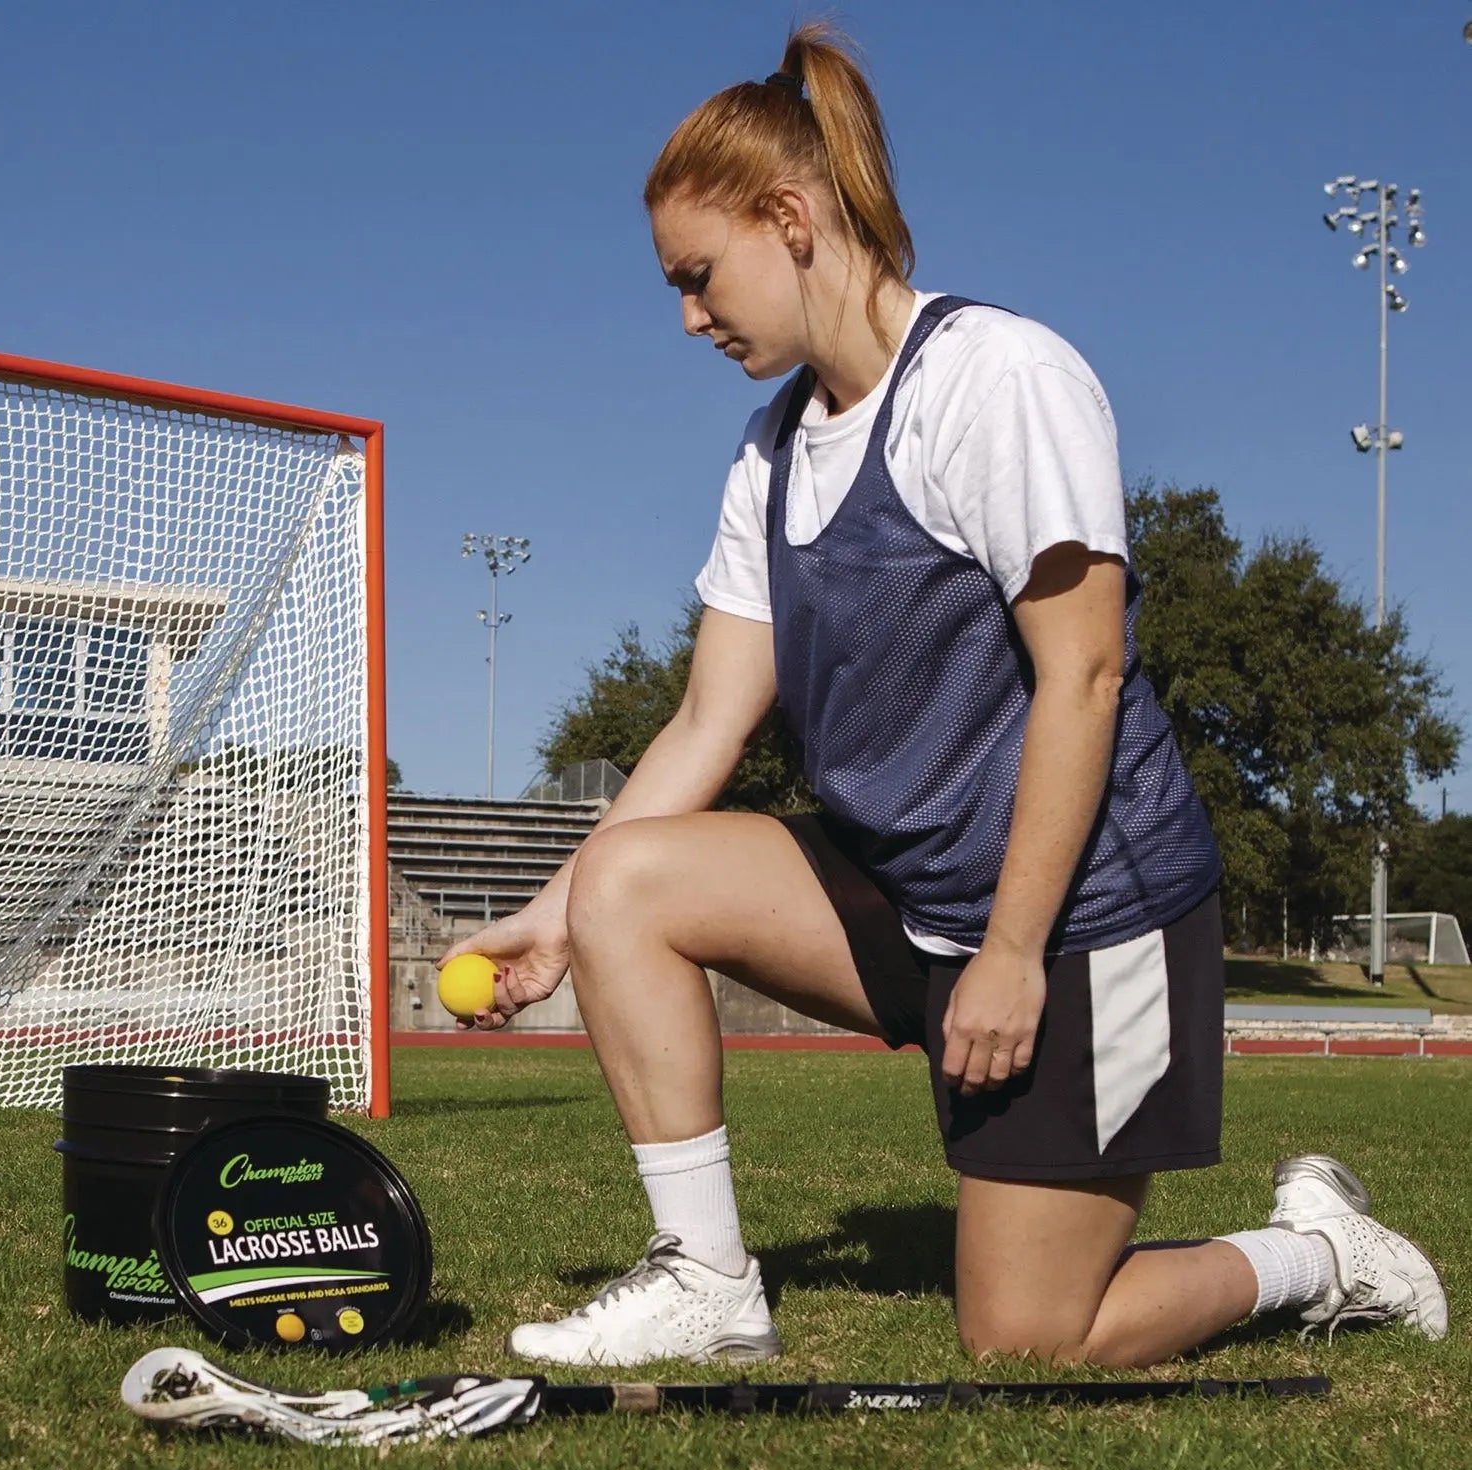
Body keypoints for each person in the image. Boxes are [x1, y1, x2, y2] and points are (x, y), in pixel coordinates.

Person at [441, 23, 1447, 1368]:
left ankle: (1317, 1251)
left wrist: (1017, 951)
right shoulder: (771, 455)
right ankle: (707, 1284)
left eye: (698, 277)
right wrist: (554, 920)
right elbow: (708, 721)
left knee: (1031, 1339)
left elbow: (1082, 675)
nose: (687, 316)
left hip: (1096, 921)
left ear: (789, 217)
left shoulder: (996, 382)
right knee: (628, 875)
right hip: (916, 909)